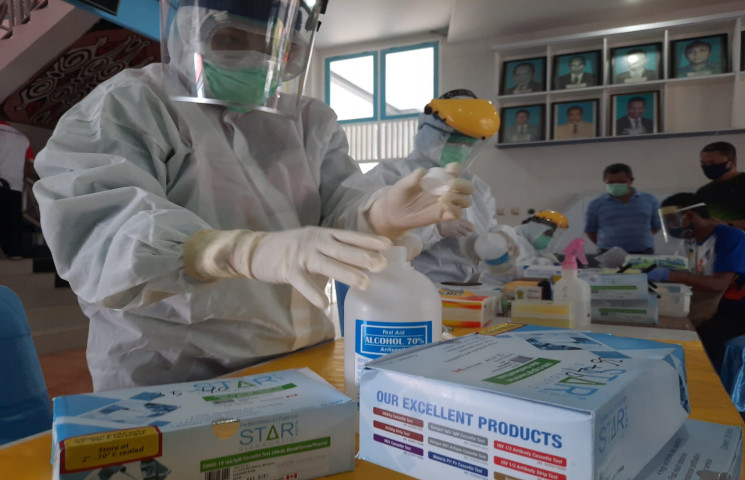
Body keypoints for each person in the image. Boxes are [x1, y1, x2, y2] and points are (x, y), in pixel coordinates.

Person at [32, 0, 474, 391]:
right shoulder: (131, 105)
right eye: (232, 38)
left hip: (302, 360)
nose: (258, 58)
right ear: (187, 29)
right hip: (174, 374)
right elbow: (101, 231)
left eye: (275, 46)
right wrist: (229, 252)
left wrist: (379, 215)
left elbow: (340, 208)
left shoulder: (309, 121)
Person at [365, 89, 500, 284]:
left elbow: (489, 227)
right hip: (411, 287)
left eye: (467, 142)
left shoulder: (477, 186)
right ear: (428, 130)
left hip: (469, 286)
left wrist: (499, 238)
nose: (460, 148)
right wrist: (435, 229)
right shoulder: (389, 174)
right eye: (453, 139)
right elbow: (371, 236)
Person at [651, 193, 745, 371]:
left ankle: (708, 379)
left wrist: (668, 275)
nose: (669, 227)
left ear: (690, 216)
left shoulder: (729, 237)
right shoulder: (690, 240)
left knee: (702, 338)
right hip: (709, 302)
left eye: (672, 221)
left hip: (734, 307)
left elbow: (718, 284)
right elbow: (680, 269)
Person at [584, 163, 661, 254]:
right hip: (609, 253)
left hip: (643, 253)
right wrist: (606, 245)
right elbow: (590, 231)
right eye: (611, 182)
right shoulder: (596, 204)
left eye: (621, 182)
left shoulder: (650, 200)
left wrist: (637, 238)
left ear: (631, 180)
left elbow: (656, 226)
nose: (615, 185)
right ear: (604, 181)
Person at [473, 210, 569, 284]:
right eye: (547, 233)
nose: (549, 239)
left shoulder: (532, 249)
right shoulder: (512, 234)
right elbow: (500, 233)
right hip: (490, 287)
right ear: (535, 227)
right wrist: (547, 265)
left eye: (551, 236)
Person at [0, 121, 34, 260]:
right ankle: (14, 253)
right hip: (14, 186)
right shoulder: (22, 137)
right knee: (12, 221)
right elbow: (28, 165)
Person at [696, 141, 745, 229]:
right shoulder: (703, 192)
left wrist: (727, 225)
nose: (707, 167)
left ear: (732, 162)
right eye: (703, 163)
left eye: (713, 163)